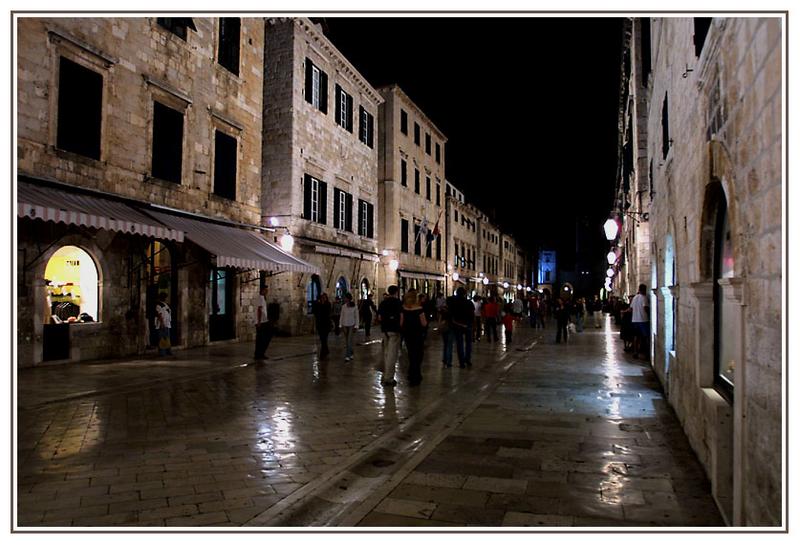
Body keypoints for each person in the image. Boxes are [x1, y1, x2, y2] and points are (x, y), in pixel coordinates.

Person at [400, 290, 428, 386]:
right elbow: (424, 323)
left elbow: (401, 323)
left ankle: (411, 375)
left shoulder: (403, 309)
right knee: (418, 355)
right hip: (418, 335)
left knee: (411, 355)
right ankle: (416, 375)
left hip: (408, 335)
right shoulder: (419, 309)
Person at [377, 285, 402, 387]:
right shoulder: (398, 303)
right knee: (392, 354)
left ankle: (385, 374)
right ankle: (389, 378)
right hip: (394, 330)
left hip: (385, 330)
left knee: (386, 352)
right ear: (396, 292)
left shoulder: (383, 303)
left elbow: (379, 317)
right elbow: (401, 317)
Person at [447, 287, 474, 367]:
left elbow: (450, 313)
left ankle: (461, 362)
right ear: (465, 294)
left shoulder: (453, 303)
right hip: (467, 325)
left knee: (460, 343)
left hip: (457, 324)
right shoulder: (469, 302)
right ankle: (468, 359)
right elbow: (472, 314)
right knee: (468, 343)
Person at [630, 284, 650, 359]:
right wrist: (649, 314)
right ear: (644, 289)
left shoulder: (635, 298)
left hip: (635, 320)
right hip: (643, 320)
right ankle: (647, 353)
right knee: (646, 337)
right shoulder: (644, 298)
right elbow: (645, 307)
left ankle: (635, 352)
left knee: (636, 337)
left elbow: (631, 308)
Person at [253, 285, 273, 360]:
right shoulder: (260, 298)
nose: (267, 291)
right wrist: (258, 322)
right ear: (262, 290)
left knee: (262, 338)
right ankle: (259, 354)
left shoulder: (262, 298)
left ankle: (260, 354)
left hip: (264, 321)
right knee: (263, 337)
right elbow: (259, 310)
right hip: (262, 322)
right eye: (266, 290)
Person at [312, 293, 332, 359]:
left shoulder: (328, 304)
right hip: (320, 324)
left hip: (326, 324)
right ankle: (326, 351)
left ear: (326, 298)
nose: (323, 299)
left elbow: (328, 313)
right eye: (322, 297)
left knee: (324, 339)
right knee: (322, 339)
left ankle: (322, 354)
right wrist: (317, 303)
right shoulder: (318, 304)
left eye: (324, 297)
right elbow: (314, 311)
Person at [340, 292, 358, 361]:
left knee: (349, 340)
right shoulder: (343, 306)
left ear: (349, 298)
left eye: (346, 298)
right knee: (347, 340)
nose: (345, 299)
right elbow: (342, 316)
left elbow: (356, 316)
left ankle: (347, 355)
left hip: (351, 324)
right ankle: (351, 353)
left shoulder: (354, 306)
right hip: (345, 325)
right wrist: (340, 325)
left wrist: (356, 326)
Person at [154, 292, 172, 356]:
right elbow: (159, 315)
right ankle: (162, 352)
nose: (166, 298)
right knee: (161, 338)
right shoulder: (158, 305)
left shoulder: (166, 304)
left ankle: (168, 351)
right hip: (162, 324)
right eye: (165, 297)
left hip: (167, 323)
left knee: (167, 337)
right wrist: (162, 323)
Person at [439, 299, 453, 368]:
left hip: (444, 328)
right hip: (450, 328)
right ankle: (449, 362)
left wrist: (439, 327)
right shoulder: (452, 310)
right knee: (449, 345)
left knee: (445, 344)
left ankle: (444, 359)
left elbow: (440, 319)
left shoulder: (443, 310)